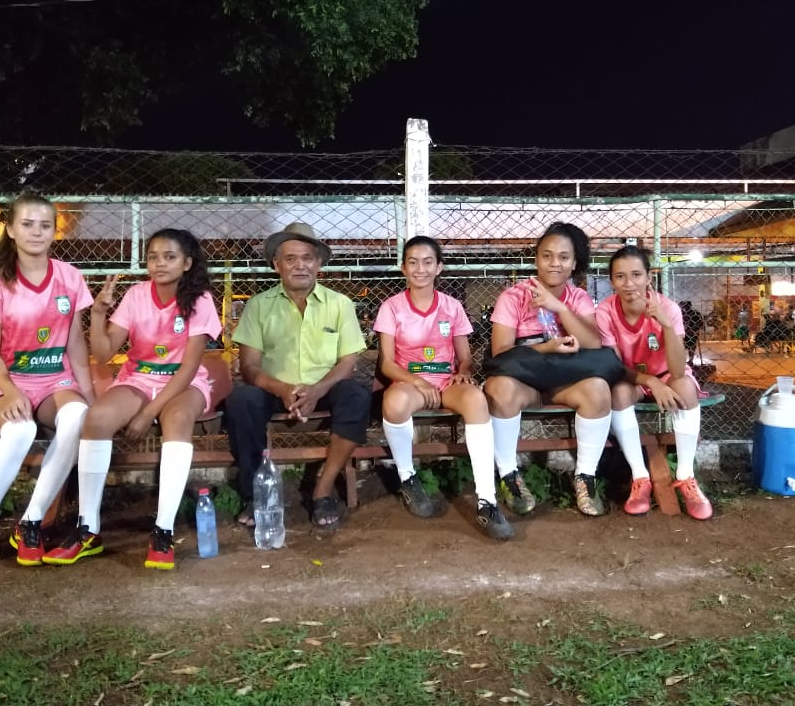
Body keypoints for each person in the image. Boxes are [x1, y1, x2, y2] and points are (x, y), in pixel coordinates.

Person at [43, 228, 222, 570]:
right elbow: (103, 354)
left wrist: (147, 413)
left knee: (177, 419)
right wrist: (98, 314)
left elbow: (188, 368)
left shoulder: (200, 300)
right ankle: (88, 529)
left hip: (183, 382)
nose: (159, 263)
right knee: (96, 418)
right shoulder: (137, 294)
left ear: (187, 263)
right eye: (153, 257)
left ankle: (163, 531)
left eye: (169, 257)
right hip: (139, 377)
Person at [0, 193, 95, 566]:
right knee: (20, 431)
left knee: (78, 416)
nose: (36, 232)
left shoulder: (70, 276)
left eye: (45, 225)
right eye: (27, 224)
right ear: (10, 229)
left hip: (55, 380)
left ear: (54, 231)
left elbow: (75, 343)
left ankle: (32, 521)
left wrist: (89, 395)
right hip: (8, 380)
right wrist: (9, 392)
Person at [226, 222, 370, 530]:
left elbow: (348, 361)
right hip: (274, 390)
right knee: (241, 399)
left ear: (318, 263)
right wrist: (283, 389)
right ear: (277, 265)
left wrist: (317, 390)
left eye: (307, 258)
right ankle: (256, 494)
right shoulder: (258, 306)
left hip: (325, 389)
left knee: (357, 394)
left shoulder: (340, 304)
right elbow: (249, 367)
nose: (300, 265)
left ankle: (323, 489)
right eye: (290, 259)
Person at [374, 236, 513, 540]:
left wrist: (463, 372)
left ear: (439, 267)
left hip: (446, 382)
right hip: (410, 382)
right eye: (413, 262)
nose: (420, 269)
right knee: (393, 403)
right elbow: (387, 364)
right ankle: (408, 479)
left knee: (476, 400)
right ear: (403, 268)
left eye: (428, 262)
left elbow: (465, 358)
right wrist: (417, 381)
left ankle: (487, 500)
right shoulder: (391, 307)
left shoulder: (452, 306)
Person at [485, 222, 613, 517]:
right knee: (498, 388)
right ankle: (509, 475)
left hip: (565, 382)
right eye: (547, 255)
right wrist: (546, 348)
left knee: (598, 389)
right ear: (536, 259)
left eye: (564, 257)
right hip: (525, 383)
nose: (555, 263)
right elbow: (500, 353)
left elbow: (593, 343)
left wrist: (560, 308)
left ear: (574, 263)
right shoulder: (513, 296)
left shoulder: (578, 298)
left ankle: (585, 477)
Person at [595, 246, 713, 520]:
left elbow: (678, 370)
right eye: (620, 276)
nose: (629, 283)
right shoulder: (605, 311)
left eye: (636, 275)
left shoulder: (668, 308)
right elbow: (615, 367)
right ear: (612, 281)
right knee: (617, 393)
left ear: (649, 277)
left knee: (684, 388)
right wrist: (650, 382)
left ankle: (686, 476)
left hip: (667, 374)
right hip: (632, 378)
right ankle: (640, 477)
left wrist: (666, 325)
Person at [679, 300, 704, 364]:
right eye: (683, 306)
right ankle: (682, 360)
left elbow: (700, 323)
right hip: (683, 333)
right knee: (681, 346)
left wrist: (693, 329)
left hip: (692, 333)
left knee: (691, 345)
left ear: (689, 306)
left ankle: (690, 360)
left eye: (686, 306)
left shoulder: (695, 313)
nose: (684, 308)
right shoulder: (681, 314)